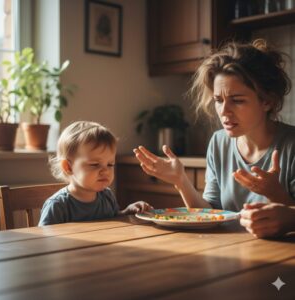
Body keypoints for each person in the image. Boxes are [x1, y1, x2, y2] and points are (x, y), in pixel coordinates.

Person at [134, 39, 295, 238]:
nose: (224, 111)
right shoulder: (219, 143)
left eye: (237, 100)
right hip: (232, 254)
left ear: (268, 102)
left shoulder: (291, 146)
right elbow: (211, 213)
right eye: (218, 100)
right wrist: (181, 181)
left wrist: (275, 193)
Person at [39, 121, 152, 226]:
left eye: (110, 164)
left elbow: (113, 221)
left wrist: (127, 211)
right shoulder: (58, 206)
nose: (105, 171)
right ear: (68, 167)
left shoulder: (107, 196)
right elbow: (43, 241)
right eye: (95, 164)